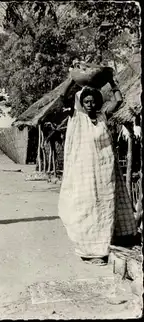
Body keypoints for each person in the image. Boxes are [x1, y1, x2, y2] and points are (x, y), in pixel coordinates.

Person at [58, 81, 139, 266]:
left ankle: (106, 244)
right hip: (84, 172)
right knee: (86, 208)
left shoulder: (103, 115)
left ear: (97, 102)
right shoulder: (75, 115)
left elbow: (118, 101)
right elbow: (63, 98)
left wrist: (112, 83)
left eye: (93, 101)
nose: (89, 104)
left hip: (105, 171)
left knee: (106, 206)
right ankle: (91, 251)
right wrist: (71, 81)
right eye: (86, 101)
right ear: (82, 103)